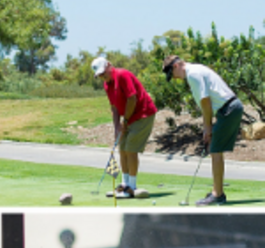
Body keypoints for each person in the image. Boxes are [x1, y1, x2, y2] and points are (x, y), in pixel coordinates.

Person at [165, 55, 244, 206]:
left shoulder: (192, 74)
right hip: (229, 107)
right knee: (215, 149)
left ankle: (218, 195)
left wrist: (207, 127)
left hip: (228, 108)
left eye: (172, 75)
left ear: (176, 67)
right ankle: (217, 191)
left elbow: (205, 102)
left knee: (215, 150)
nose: (175, 78)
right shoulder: (196, 69)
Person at [91, 57, 158, 198]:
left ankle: (132, 187)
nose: (103, 77)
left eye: (104, 73)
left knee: (130, 150)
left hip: (143, 113)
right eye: (100, 76)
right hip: (128, 117)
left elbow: (132, 98)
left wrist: (125, 120)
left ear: (109, 65)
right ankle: (124, 184)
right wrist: (116, 127)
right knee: (122, 149)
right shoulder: (107, 85)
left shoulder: (122, 75)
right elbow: (114, 107)